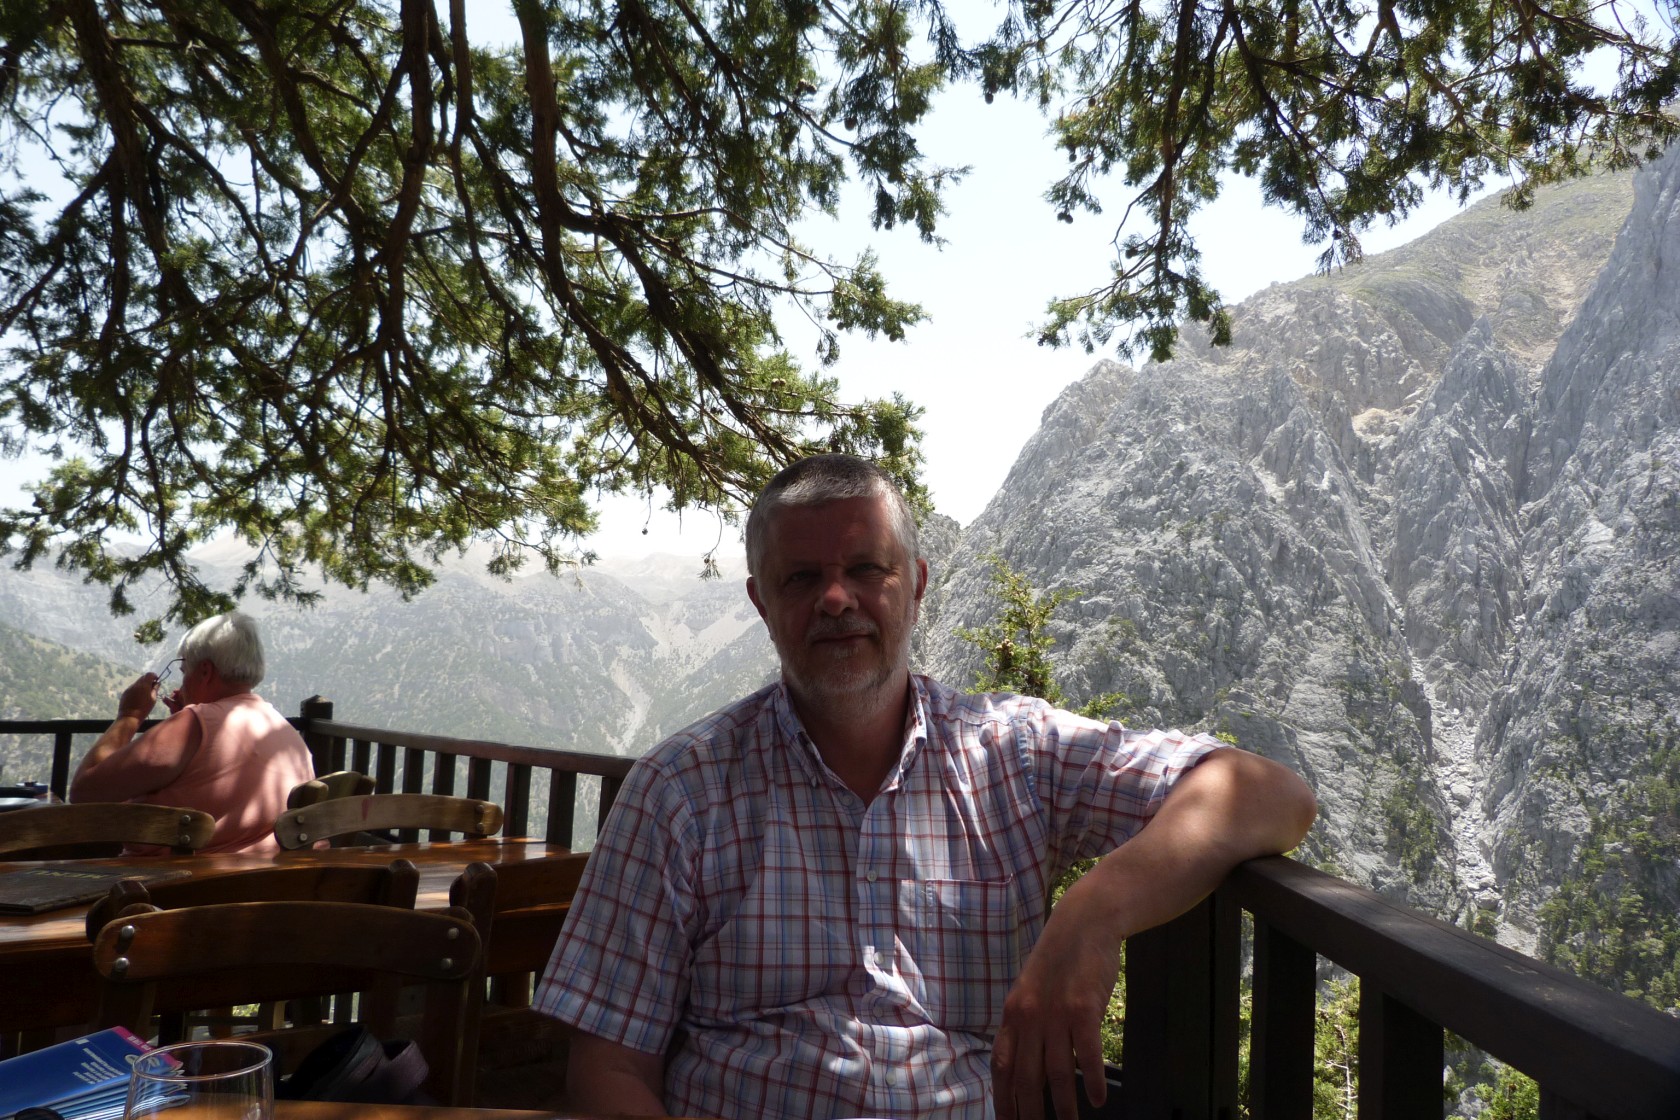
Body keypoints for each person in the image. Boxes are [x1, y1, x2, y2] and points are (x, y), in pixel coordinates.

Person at [536, 454, 1317, 1120]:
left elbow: (1270, 793)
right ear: (761, 603)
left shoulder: (1015, 754)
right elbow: (608, 1067)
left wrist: (1094, 911)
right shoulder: (679, 790)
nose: (835, 598)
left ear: (915, 584)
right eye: (802, 577)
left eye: (864, 569)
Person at [69, 610, 315, 855]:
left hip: (180, 878)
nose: (182, 683)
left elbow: (85, 792)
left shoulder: (193, 725)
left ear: (205, 672)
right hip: (269, 875)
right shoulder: (282, 729)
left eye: (184, 671)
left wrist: (130, 715)